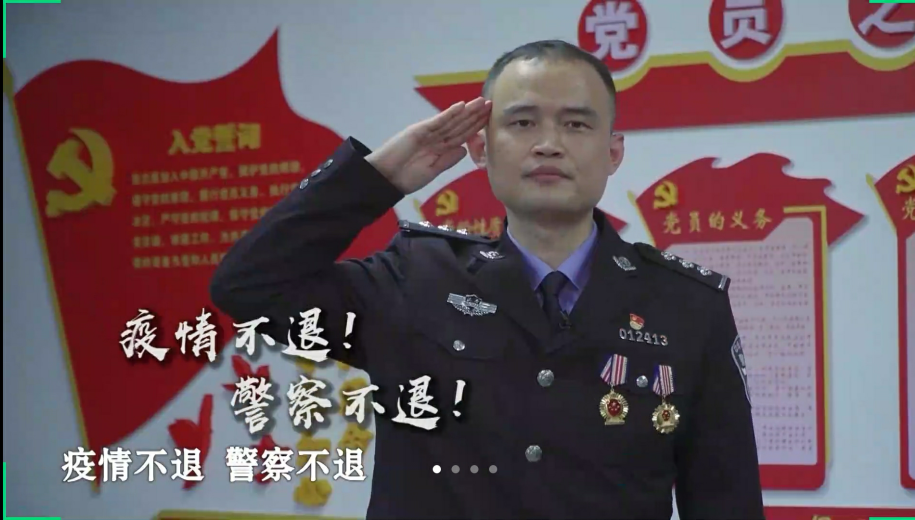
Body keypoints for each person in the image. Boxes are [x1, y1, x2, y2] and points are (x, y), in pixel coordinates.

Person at [210, 39, 764, 520]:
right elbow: (250, 288)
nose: (548, 143)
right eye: (522, 123)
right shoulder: (415, 277)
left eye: (576, 124)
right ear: (480, 148)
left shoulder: (686, 306)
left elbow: (726, 501)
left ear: (613, 152)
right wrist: (376, 179)